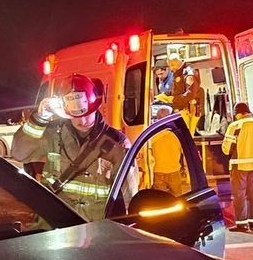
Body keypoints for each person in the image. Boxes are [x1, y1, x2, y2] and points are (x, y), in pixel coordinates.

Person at [12, 74, 129, 221]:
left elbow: (128, 196)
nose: (83, 120)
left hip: (94, 228)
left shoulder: (118, 144)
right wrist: (39, 119)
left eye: (87, 114)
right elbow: (19, 153)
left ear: (95, 107)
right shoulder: (52, 134)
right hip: (55, 224)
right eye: (76, 116)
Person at [222, 102, 253, 231]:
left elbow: (226, 149)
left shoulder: (235, 126)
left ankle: (241, 223)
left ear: (238, 113)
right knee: (252, 193)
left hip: (239, 165)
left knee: (239, 194)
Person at [156, 52, 202, 133]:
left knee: (187, 135)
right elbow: (177, 90)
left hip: (189, 110)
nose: (171, 68)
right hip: (182, 110)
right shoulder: (178, 72)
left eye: (172, 65)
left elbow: (191, 93)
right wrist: (165, 95)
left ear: (177, 61)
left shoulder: (189, 72)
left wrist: (174, 100)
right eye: (169, 66)